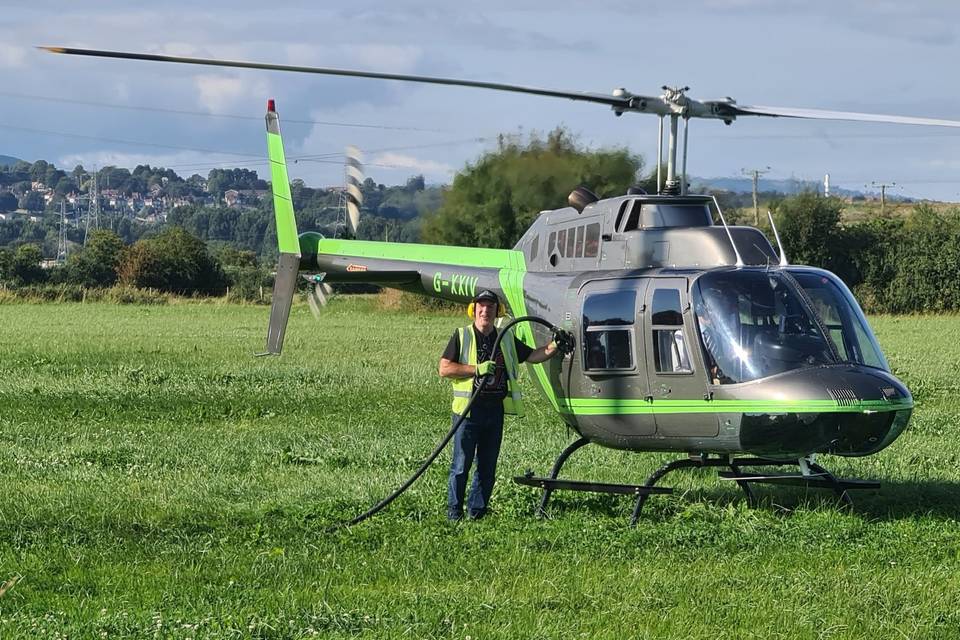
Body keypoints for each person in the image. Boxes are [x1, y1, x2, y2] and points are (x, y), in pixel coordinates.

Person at [439, 289, 568, 521]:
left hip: (494, 412)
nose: (485, 310)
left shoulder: (505, 337)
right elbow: (444, 368)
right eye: (481, 306)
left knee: (487, 468)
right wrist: (475, 369)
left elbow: (533, 356)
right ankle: (454, 514)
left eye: (490, 306)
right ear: (473, 309)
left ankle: (477, 514)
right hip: (467, 413)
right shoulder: (462, 335)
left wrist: (555, 346)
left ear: (497, 311)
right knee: (461, 466)